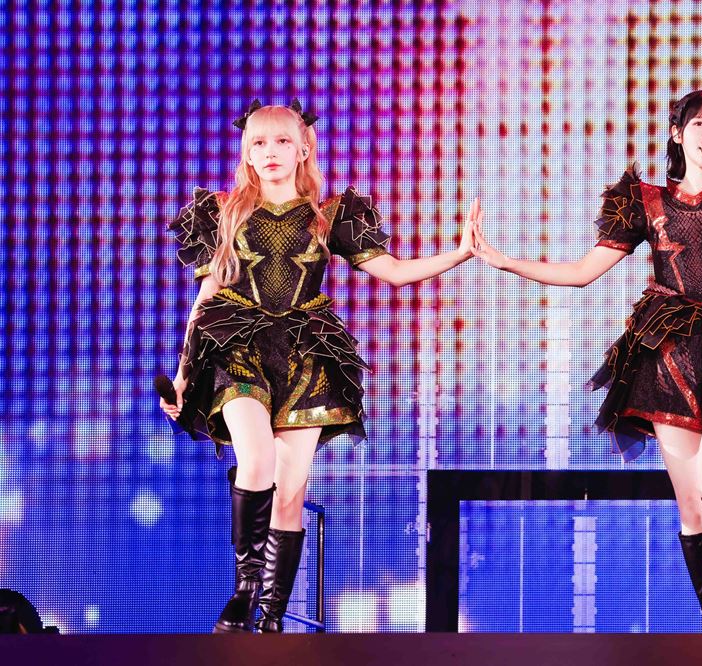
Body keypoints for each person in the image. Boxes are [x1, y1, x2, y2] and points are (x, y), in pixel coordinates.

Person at [472, 90, 702, 634]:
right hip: (669, 352)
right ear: (677, 134)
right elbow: (582, 272)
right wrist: (504, 261)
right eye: (700, 125)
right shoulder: (646, 201)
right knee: (691, 504)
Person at [161, 100, 480, 633]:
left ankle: (271, 616)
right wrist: (183, 374)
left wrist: (459, 253)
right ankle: (244, 591)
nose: (270, 152)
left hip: (307, 356)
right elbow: (205, 298)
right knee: (255, 458)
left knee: (290, 494)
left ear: (303, 149)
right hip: (238, 347)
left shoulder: (329, 215)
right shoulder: (223, 211)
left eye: (282, 141)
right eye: (259, 143)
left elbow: (394, 272)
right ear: (246, 153)